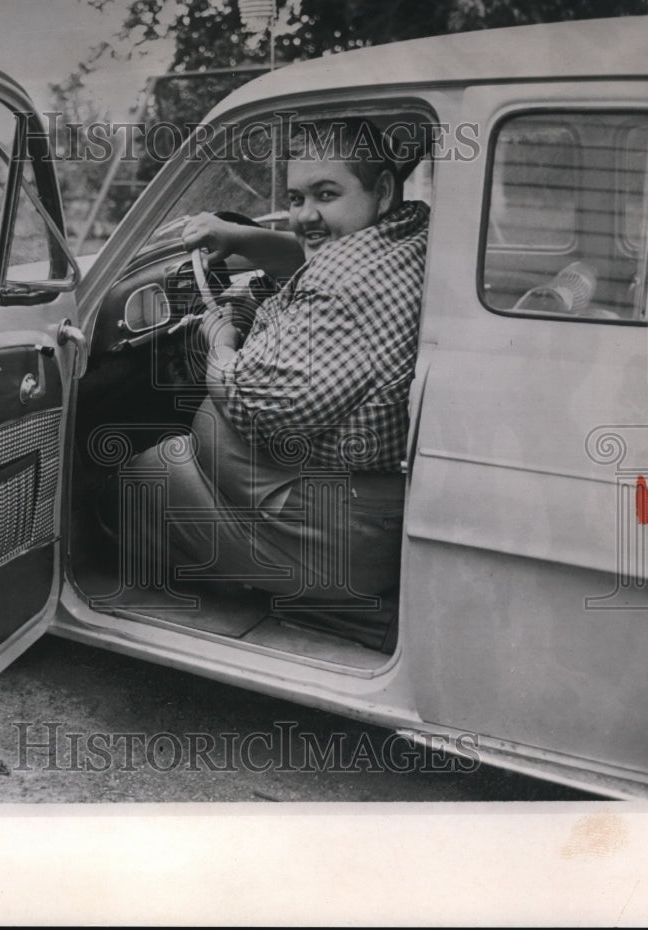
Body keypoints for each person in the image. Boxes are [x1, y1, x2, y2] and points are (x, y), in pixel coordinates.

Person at [111, 116, 430, 612]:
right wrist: (240, 239)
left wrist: (220, 342)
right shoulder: (405, 235)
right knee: (182, 453)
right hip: (367, 508)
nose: (305, 216)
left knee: (149, 471)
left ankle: (200, 598)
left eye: (326, 194)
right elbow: (315, 260)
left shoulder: (339, 290)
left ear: (383, 190)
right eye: (297, 199)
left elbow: (252, 407)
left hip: (339, 540)